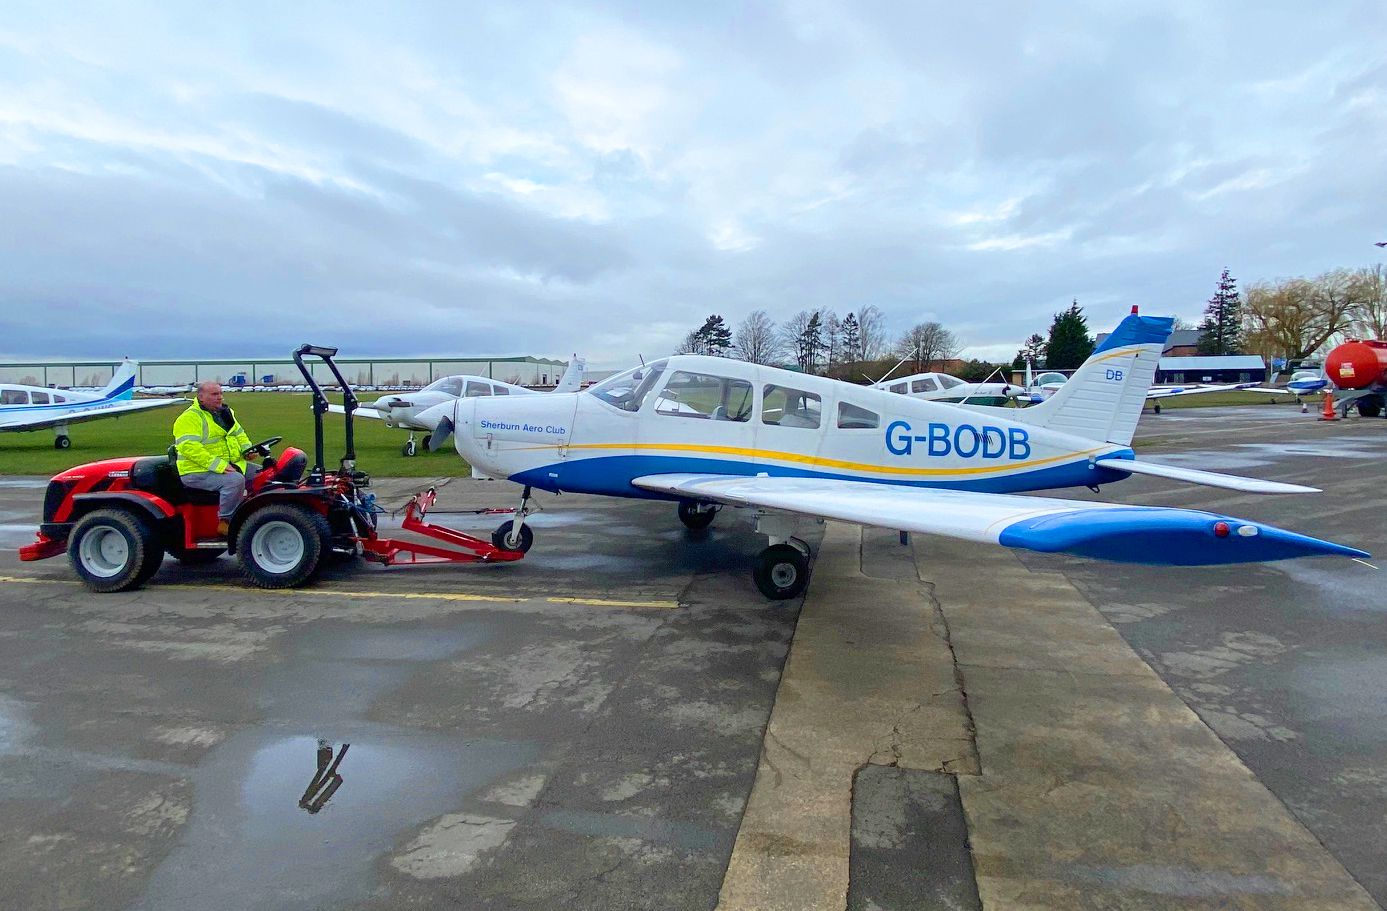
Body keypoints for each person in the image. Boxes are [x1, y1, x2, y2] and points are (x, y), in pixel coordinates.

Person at [174, 381, 302, 535]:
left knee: (265, 475)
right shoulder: (189, 418)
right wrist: (219, 466)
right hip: (196, 471)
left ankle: (264, 515)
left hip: (229, 464)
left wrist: (247, 450)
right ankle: (226, 521)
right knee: (234, 481)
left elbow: (239, 435)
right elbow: (189, 448)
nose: (220, 397)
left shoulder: (226, 413)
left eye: (220, 393)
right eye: (214, 394)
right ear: (201, 397)